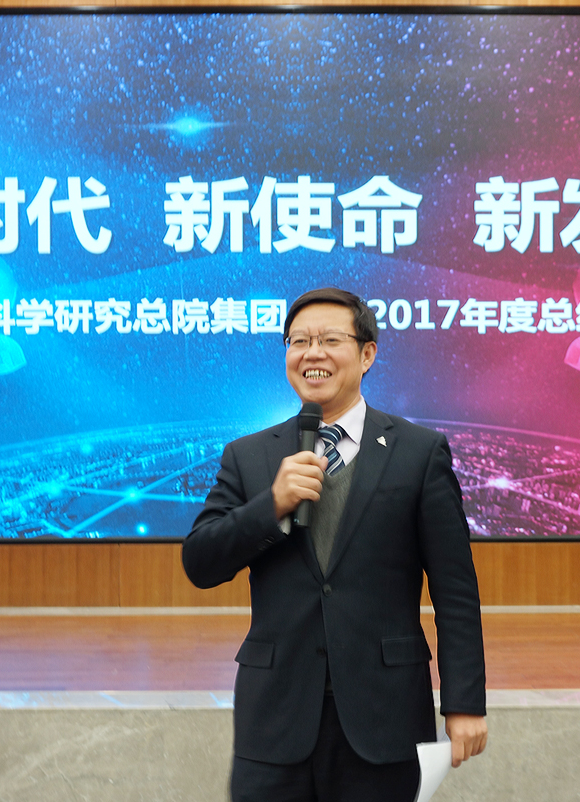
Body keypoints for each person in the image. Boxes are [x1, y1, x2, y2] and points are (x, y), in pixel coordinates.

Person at [182, 287, 487, 802]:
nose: (312, 353)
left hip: (384, 717)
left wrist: (464, 702)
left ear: (367, 354)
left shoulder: (418, 452)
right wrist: (272, 504)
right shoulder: (249, 456)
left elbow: (455, 590)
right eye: (298, 341)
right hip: (275, 720)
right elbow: (200, 562)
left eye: (329, 340)